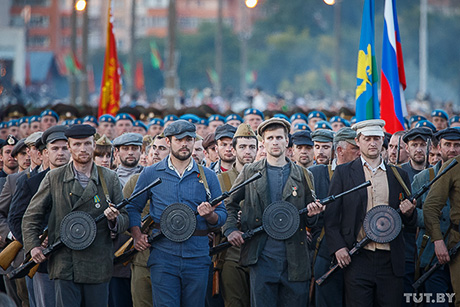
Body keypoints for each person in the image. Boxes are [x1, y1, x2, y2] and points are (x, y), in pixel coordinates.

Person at [22, 124, 129, 307]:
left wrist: (114, 219)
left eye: (87, 144)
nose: (83, 149)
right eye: (77, 144)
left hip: (97, 264)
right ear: (70, 147)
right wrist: (34, 246)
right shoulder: (54, 177)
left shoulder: (109, 178)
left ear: (94, 145)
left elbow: (125, 219)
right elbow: (31, 216)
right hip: (65, 263)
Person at [126, 119, 227, 307]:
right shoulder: (150, 173)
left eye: (189, 139)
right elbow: (133, 207)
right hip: (163, 255)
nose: (184, 144)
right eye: (179, 140)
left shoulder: (208, 176)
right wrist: (136, 234)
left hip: (197, 256)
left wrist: (210, 216)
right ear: (168, 141)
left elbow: (221, 214)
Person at [223, 118, 322, 307]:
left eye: (279, 137)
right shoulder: (250, 171)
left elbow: (312, 220)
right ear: (263, 143)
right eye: (270, 138)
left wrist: (313, 213)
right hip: (261, 258)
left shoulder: (303, 175)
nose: (275, 142)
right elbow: (229, 203)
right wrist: (230, 230)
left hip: (294, 260)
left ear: (287, 141)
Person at [324, 119, 417, 307]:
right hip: (357, 257)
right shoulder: (343, 173)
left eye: (376, 138)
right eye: (367, 139)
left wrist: (409, 213)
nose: (372, 143)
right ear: (358, 141)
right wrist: (339, 248)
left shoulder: (398, 175)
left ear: (383, 140)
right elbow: (331, 218)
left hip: (390, 261)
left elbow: (411, 223)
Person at [9, 125, 70, 307]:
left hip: (74, 259)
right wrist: (34, 243)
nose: (61, 153)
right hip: (44, 260)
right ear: (44, 153)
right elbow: (16, 218)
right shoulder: (31, 183)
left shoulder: (82, 180)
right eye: (55, 148)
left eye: (65, 148)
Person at [309, 127, 360, 307]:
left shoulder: (363, 174)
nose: (360, 152)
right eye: (355, 148)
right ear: (339, 150)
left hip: (358, 253)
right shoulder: (315, 174)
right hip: (325, 252)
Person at [412, 128, 460, 307]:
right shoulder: (424, 177)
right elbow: (409, 216)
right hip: (432, 256)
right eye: (447, 145)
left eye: (457, 145)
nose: (452, 150)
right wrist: (431, 220)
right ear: (438, 148)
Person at [216, 123, 258, 307]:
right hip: (230, 253)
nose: (247, 151)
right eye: (242, 146)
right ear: (233, 149)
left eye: (251, 147)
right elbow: (209, 216)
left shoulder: (266, 175)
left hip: (260, 252)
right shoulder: (219, 179)